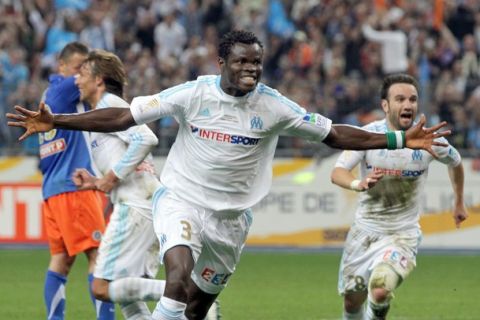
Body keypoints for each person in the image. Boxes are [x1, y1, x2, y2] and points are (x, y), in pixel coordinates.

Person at [8, 30, 450, 320]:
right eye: (241, 62)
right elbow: (122, 120)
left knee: (197, 308)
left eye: (256, 63)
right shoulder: (192, 94)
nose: (250, 70)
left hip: (231, 221)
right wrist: (58, 121)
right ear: (222, 60)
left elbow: (334, 134)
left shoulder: (273, 105)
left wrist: (398, 140)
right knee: (178, 277)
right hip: (180, 200)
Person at [330, 74, 468, 320]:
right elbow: (337, 172)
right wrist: (357, 183)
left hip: (402, 234)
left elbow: (455, 163)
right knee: (352, 303)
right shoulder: (369, 136)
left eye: (413, 99)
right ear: (385, 105)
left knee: (381, 289)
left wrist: (458, 201)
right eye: (400, 99)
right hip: (364, 232)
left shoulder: (428, 140)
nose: (408, 105)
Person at [71, 49, 163, 319]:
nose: (77, 80)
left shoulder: (109, 104)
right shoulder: (103, 111)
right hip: (145, 203)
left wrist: (111, 177)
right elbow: (126, 157)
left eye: (83, 74)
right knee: (129, 298)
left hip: (136, 207)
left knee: (102, 287)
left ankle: (188, 294)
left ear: (98, 80)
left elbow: (146, 139)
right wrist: (98, 182)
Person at [35, 42, 115, 319]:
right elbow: (102, 79)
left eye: (85, 68)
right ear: (62, 67)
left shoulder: (50, 94)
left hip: (53, 190)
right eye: (78, 67)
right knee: (98, 257)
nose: (82, 74)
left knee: (61, 260)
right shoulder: (66, 88)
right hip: (75, 187)